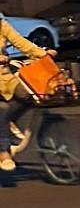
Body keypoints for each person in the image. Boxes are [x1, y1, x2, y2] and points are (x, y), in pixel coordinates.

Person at [0, 13, 52, 174]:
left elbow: (21, 42)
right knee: (1, 109)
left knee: (27, 95)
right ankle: (3, 152)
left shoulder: (2, 26)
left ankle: (8, 122)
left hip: (5, 78)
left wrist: (43, 54)